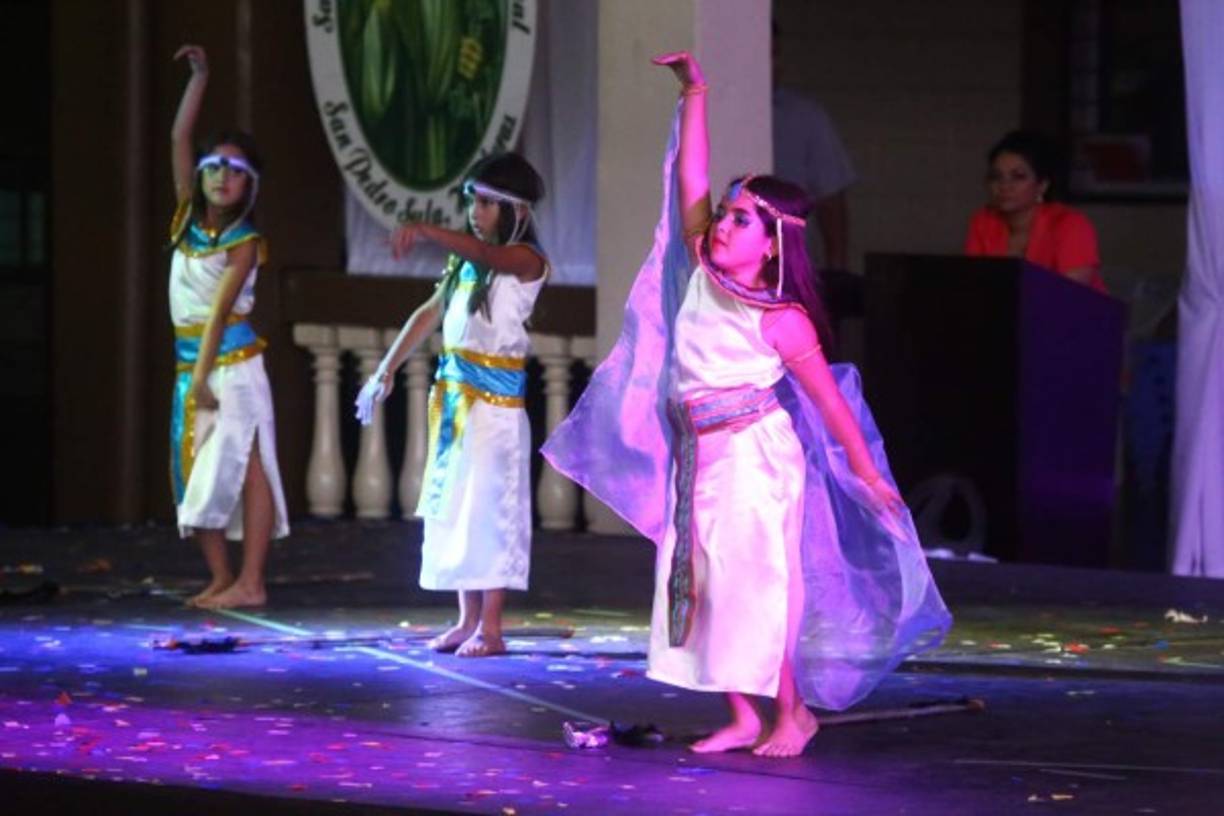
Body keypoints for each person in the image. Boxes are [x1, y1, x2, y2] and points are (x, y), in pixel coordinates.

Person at [542, 52, 951, 758]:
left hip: (756, 458)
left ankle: (792, 713)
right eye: (725, 214)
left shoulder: (781, 318)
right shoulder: (703, 266)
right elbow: (688, 178)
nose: (723, 225)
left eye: (739, 220)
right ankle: (742, 714)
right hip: (697, 454)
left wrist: (867, 472)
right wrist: (694, 92)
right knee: (697, 579)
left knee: (758, 584)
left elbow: (828, 404)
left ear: (771, 246)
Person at [355, 153, 548, 659]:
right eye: (472, 202)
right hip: (460, 403)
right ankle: (465, 620)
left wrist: (424, 228)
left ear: (515, 210)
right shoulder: (467, 263)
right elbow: (429, 313)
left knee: (490, 511)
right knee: (458, 506)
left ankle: (492, 626)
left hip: (497, 411)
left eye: (485, 203)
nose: (475, 212)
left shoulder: (526, 260)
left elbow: (493, 259)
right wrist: (386, 368)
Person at [168, 44, 290, 609]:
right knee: (195, 472)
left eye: (234, 171)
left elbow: (219, 313)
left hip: (232, 367)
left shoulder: (243, 243)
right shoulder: (189, 223)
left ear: (251, 186)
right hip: (192, 362)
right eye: (212, 166)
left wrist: (200, 379)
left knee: (244, 466)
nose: (220, 177)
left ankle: (252, 581)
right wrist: (200, 77)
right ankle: (222, 578)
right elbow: (177, 141)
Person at [964, 130, 1106, 292]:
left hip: (1073, 314)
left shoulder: (1070, 224)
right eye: (996, 177)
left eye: (1018, 176)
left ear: (1042, 186)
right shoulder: (983, 221)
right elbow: (975, 287)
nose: (1004, 186)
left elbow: (1070, 298)